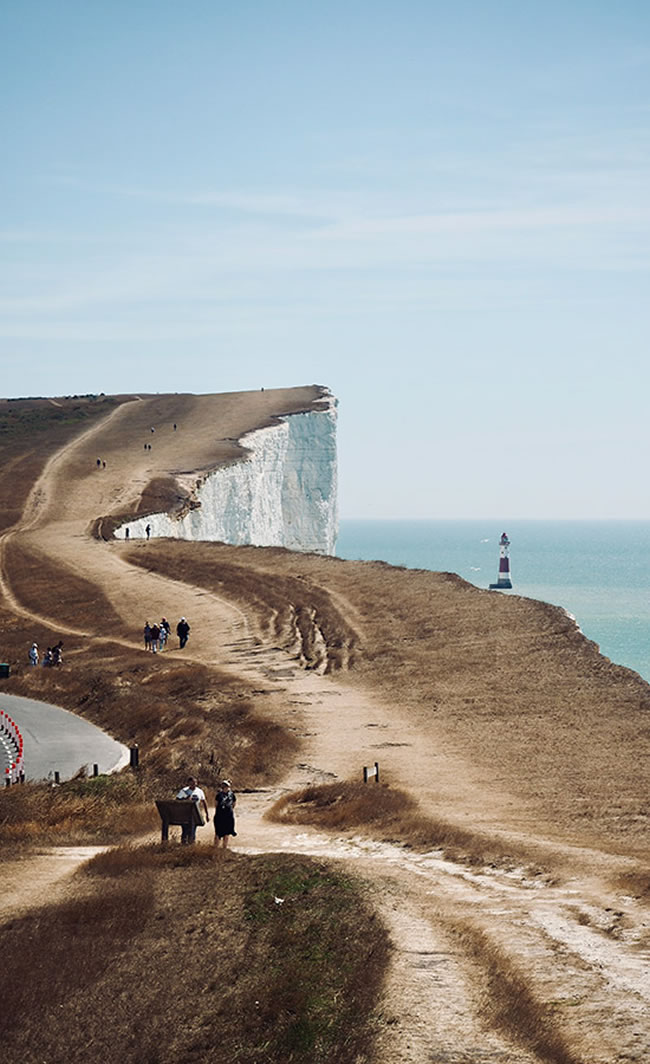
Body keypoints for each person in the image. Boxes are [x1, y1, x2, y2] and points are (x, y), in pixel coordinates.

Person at [176, 776, 209, 844]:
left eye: (195, 783)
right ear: (188, 783)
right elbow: (177, 800)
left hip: (195, 813)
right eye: (191, 783)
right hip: (185, 814)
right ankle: (183, 844)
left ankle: (191, 844)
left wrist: (207, 814)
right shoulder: (184, 791)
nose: (193, 784)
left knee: (193, 830)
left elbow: (204, 802)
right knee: (185, 830)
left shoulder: (199, 791)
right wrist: (185, 799)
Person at [213, 780, 237, 848]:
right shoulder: (219, 795)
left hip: (229, 816)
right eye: (224, 786)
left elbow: (234, 804)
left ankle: (224, 848)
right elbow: (216, 804)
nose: (226, 788)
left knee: (227, 833)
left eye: (227, 786)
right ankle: (215, 848)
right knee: (218, 833)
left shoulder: (232, 794)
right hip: (219, 816)